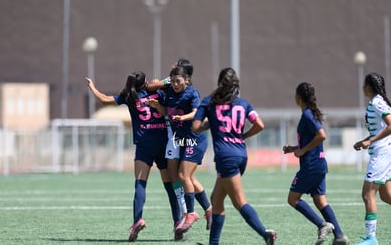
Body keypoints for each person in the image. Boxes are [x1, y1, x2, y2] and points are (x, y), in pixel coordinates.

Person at [85, 71, 180, 242]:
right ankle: (178, 222)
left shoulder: (130, 96)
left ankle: (138, 220)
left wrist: (92, 87)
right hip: (162, 142)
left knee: (140, 184)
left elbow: (104, 99)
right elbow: (171, 94)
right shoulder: (158, 92)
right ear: (145, 82)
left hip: (144, 144)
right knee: (170, 186)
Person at [192, 67, 277, 245]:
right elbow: (259, 125)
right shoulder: (243, 104)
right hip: (240, 155)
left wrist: (209, 124)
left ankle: (265, 233)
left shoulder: (208, 102)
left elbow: (196, 127)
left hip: (225, 157)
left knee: (239, 202)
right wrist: (242, 136)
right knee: (216, 199)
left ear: (219, 83)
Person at [147, 65, 211, 238]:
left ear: (187, 80)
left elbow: (197, 112)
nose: (175, 84)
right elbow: (166, 111)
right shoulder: (169, 94)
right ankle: (203, 210)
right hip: (177, 139)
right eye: (173, 81)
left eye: (178, 81)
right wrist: (156, 105)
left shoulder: (192, 93)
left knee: (184, 176)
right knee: (177, 176)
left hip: (193, 138)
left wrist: (183, 117)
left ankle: (190, 213)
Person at [283, 82, 348, 245]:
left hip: (311, 165)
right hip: (318, 164)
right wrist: (295, 148)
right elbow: (312, 140)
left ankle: (322, 224)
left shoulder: (307, 115)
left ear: (298, 97)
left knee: (292, 199)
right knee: (320, 201)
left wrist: (302, 151)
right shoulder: (310, 114)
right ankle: (339, 236)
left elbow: (321, 135)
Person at [353, 72, 391, 245]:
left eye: (364, 84)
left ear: (368, 86)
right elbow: (380, 128)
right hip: (384, 152)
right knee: (386, 195)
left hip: (382, 154)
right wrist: (365, 140)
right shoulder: (376, 102)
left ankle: (371, 238)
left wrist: (371, 140)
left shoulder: (377, 102)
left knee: (367, 194)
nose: (362, 87)